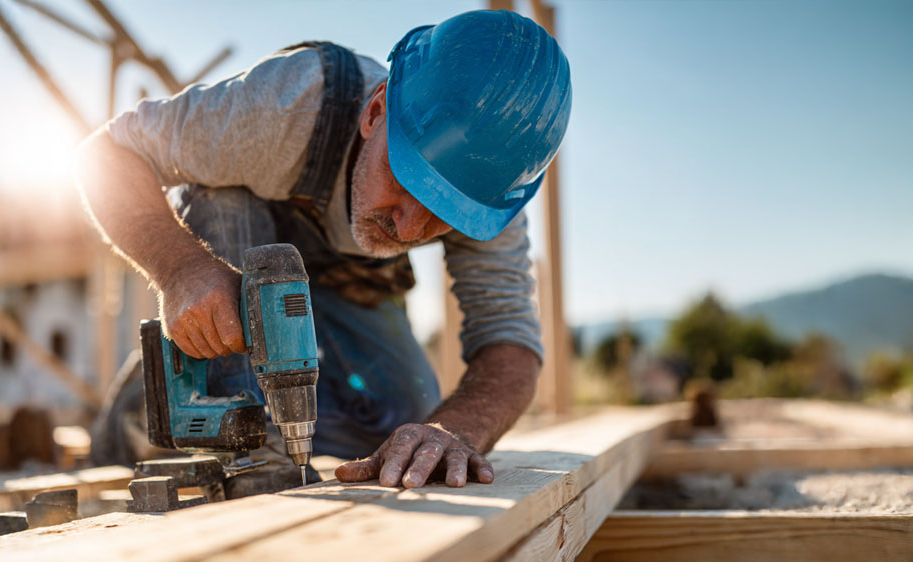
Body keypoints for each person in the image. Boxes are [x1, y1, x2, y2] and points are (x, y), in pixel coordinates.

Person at [76, 9, 572, 493]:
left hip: (348, 286)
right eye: (406, 182)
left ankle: (260, 434)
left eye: (443, 213)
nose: (408, 227)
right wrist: (182, 269)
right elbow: (106, 153)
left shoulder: (488, 191)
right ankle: (180, 435)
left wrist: (452, 432)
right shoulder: (289, 103)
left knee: (405, 423)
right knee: (222, 197)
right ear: (375, 113)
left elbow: (510, 341)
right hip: (234, 252)